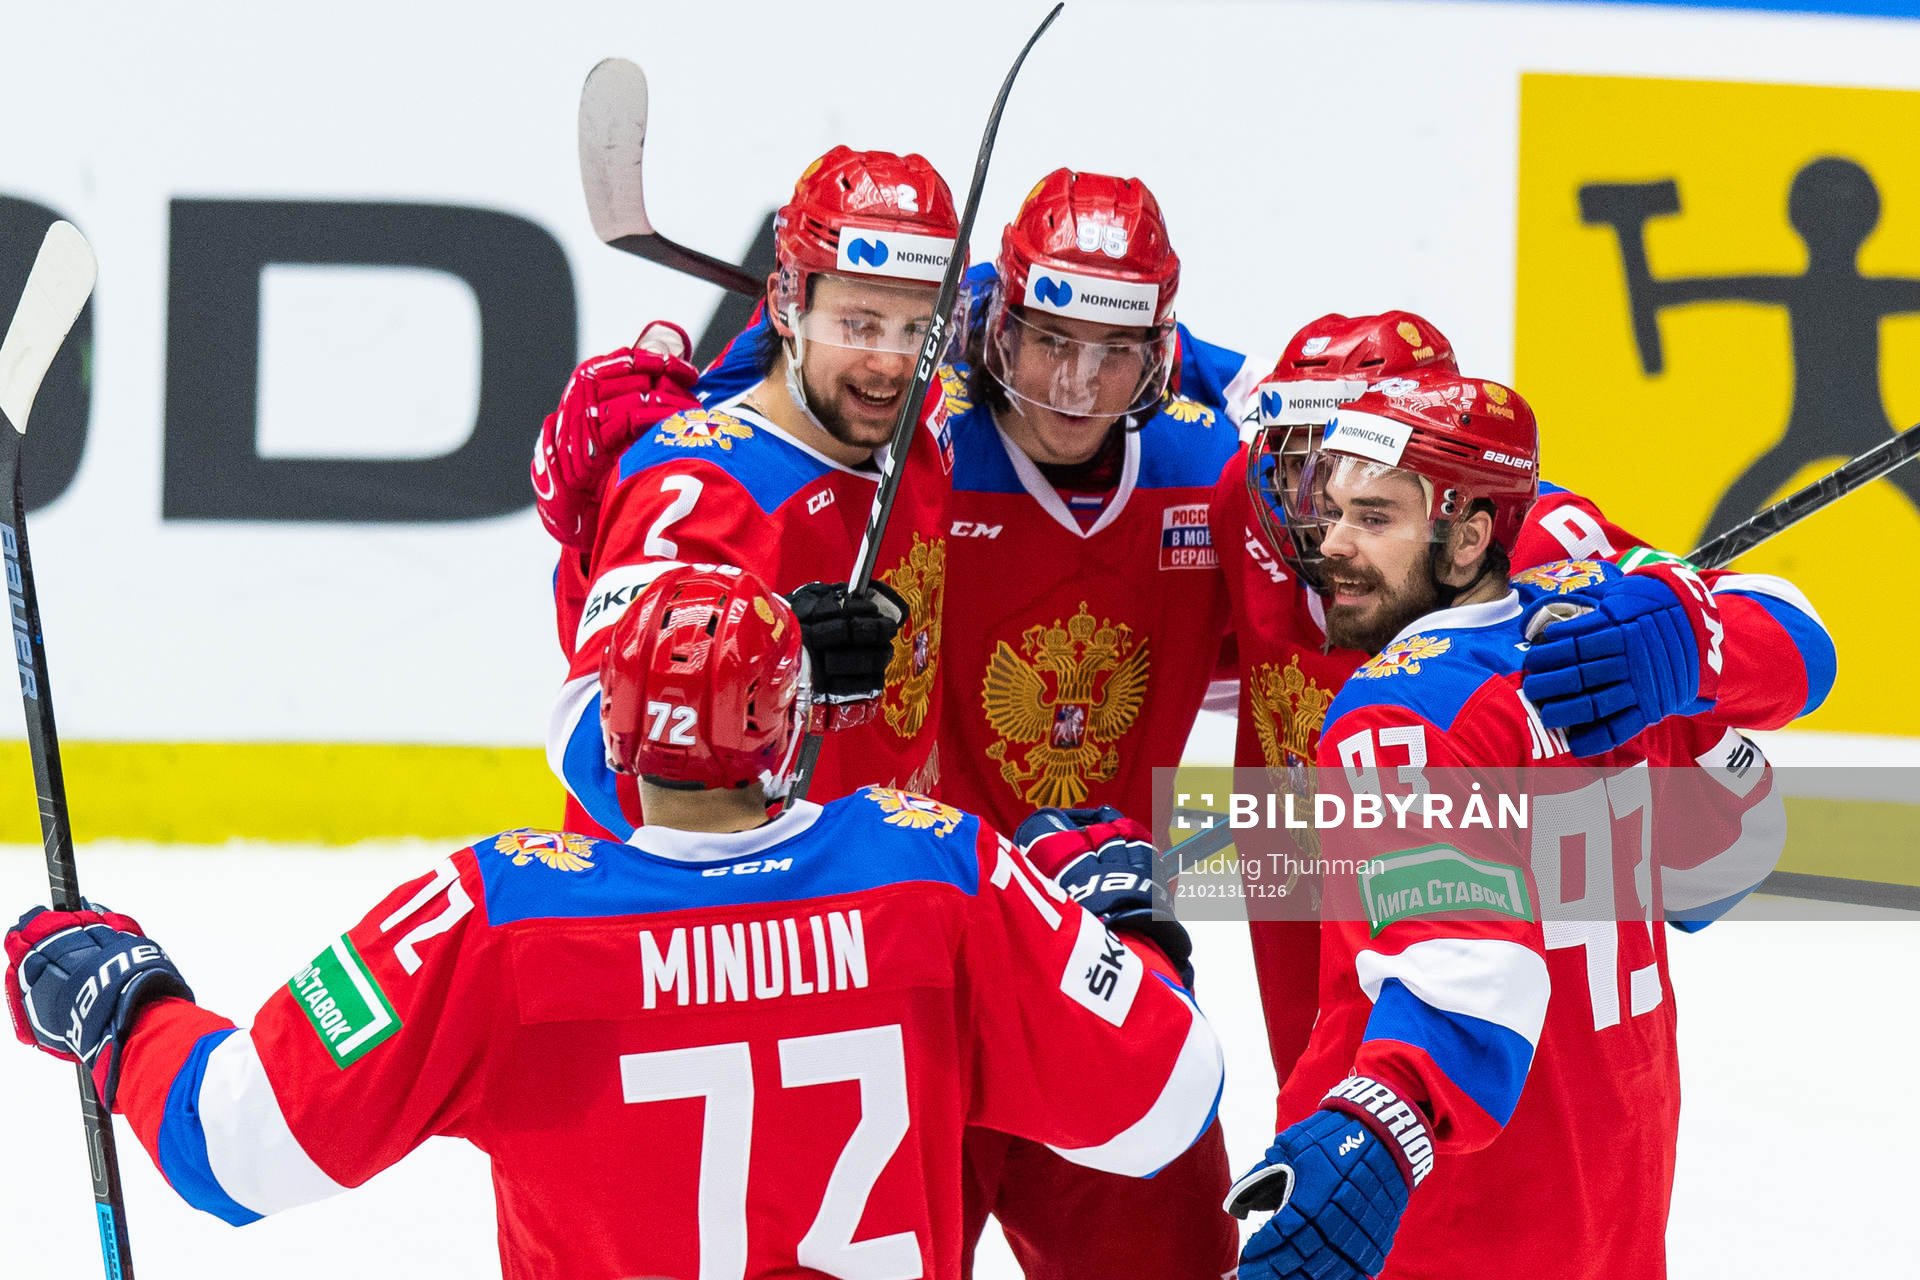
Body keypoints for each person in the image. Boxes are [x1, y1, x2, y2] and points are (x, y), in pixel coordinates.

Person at [6, 566, 1224, 1280]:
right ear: (794, 724)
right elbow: (1164, 1102)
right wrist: (1132, 930)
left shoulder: (497, 913)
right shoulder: (940, 870)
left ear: (608, 737)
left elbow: (235, 1152)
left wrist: (127, 1009)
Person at [1221, 371, 1822, 1280]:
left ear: (1466, 539)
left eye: (1375, 519)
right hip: (1609, 1207)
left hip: (1450, 1216)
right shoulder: (1606, 649)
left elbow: (1468, 982)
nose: (1331, 546)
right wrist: (1693, 641)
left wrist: (1376, 1134)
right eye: (1334, 511)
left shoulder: (1398, 712)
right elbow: (1731, 857)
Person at [544, 145, 968, 839]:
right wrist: (786, 667)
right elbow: (585, 740)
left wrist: (1207, 374)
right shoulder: (697, 488)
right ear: (783, 305)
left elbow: (1065, 330)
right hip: (724, 927)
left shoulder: (928, 416)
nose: (888, 365)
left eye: (917, 329)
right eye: (857, 324)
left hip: (890, 901)